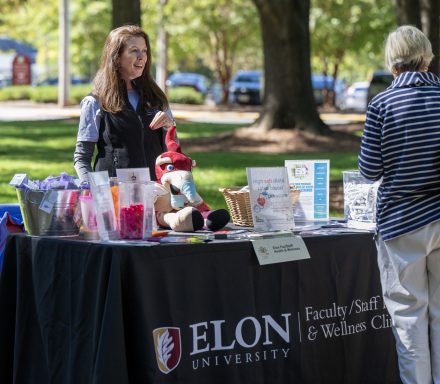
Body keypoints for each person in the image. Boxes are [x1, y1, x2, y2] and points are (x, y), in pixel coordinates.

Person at [359, 25, 440, 384]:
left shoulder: (382, 104)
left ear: (392, 61)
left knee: (409, 319)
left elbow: (368, 170)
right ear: (426, 55)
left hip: (401, 223)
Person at [73, 25, 175, 182]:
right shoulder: (95, 102)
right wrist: (95, 191)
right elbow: (81, 158)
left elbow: (175, 150)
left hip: (156, 193)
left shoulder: (156, 98)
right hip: (114, 196)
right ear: (117, 57)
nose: (142, 56)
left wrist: (169, 127)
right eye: (134, 50)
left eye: (145, 50)